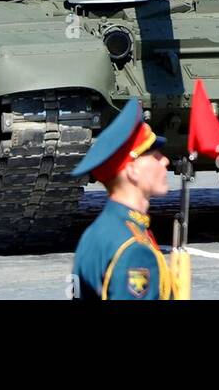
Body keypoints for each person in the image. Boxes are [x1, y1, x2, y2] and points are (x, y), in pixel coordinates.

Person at [70, 99, 175, 300]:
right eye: (154, 155)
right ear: (132, 171)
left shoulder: (93, 235)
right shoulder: (135, 249)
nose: (165, 160)